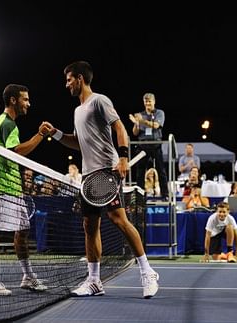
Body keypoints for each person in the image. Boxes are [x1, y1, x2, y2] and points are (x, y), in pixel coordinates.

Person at [49, 61, 159, 298]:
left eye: (69, 79)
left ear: (79, 78)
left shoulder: (100, 100)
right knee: (89, 226)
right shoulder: (77, 110)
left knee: (118, 219)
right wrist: (55, 134)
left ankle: (147, 272)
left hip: (106, 171)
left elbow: (120, 128)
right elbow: (78, 142)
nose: (66, 84)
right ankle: (94, 281)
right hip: (88, 175)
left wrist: (122, 158)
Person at [0, 84, 52, 296]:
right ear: (13, 100)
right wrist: (39, 135)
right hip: (4, 189)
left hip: (12, 188)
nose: (28, 103)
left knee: (22, 232)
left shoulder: (0, 124)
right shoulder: (8, 124)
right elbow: (16, 152)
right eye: (25, 100)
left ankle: (28, 276)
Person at [128, 93, 168, 198]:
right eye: (146, 101)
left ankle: (165, 195)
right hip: (143, 145)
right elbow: (135, 133)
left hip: (155, 144)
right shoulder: (140, 114)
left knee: (161, 170)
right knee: (140, 172)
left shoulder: (160, 113)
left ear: (154, 102)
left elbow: (156, 125)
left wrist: (142, 120)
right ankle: (139, 196)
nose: (148, 103)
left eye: (149, 101)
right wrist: (136, 123)